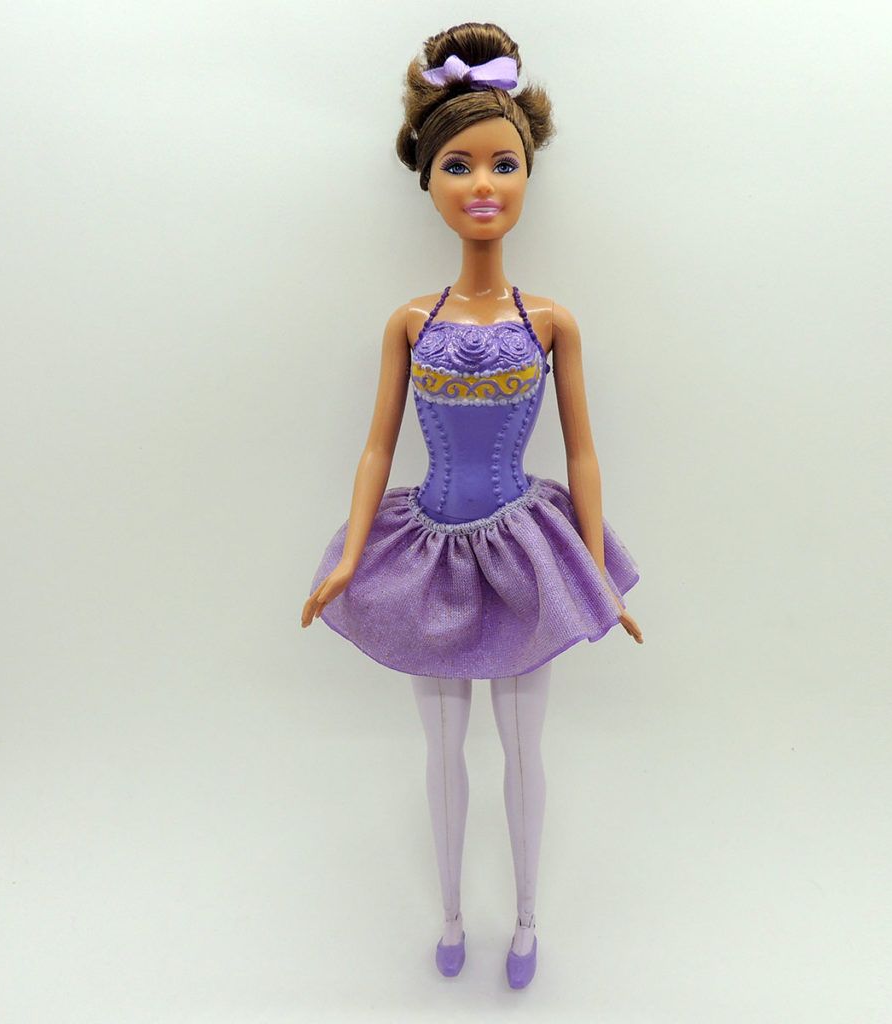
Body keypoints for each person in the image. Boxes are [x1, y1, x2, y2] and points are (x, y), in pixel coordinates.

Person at [301, 22, 642, 989]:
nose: (482, 184)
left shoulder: (552, 321)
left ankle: (527, 920)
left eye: (503, 163)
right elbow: (378, 447)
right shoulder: (411, 323)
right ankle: (451, 914)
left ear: (528, 174)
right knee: (442, 750)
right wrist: (348, 557)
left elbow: (581, 451)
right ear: (428, 180)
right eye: (458, 165)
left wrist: (593, 573)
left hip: (527, 554)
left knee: (525, 751)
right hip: (431, 559)